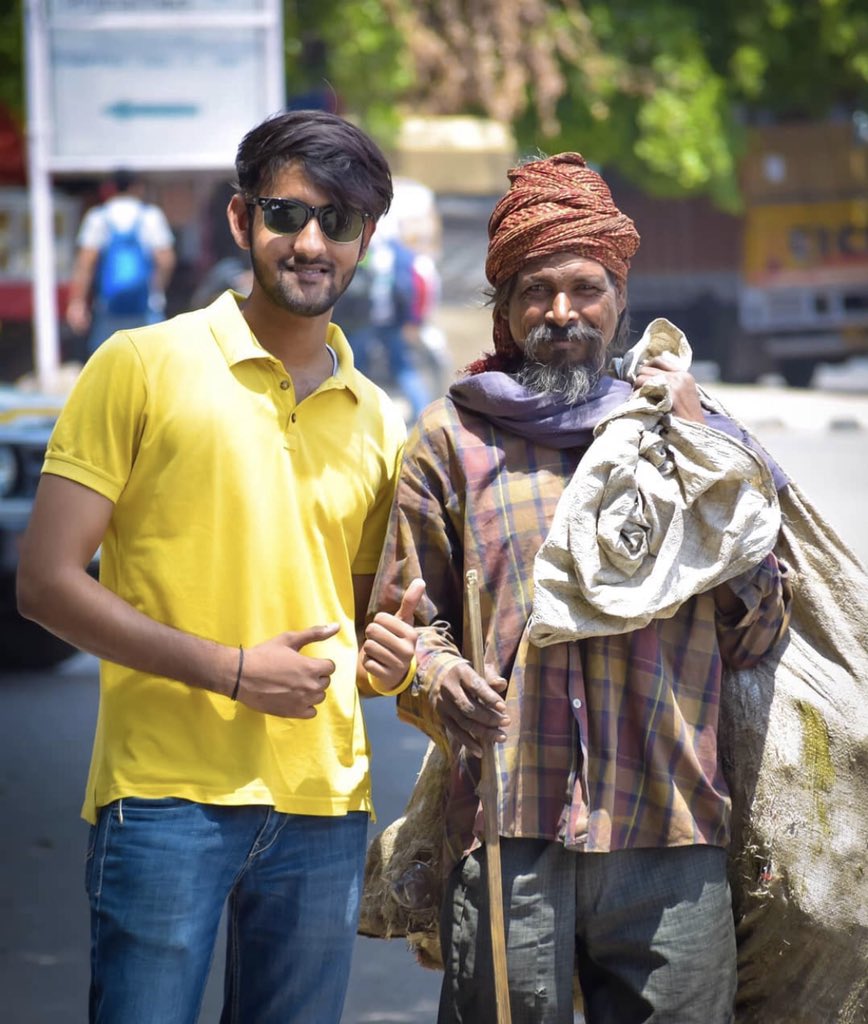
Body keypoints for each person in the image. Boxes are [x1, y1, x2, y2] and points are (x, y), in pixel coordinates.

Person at [17, 109, 423, 1024]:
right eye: (286, 215)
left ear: (365, 242)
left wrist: (391, 653)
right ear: (242, 222)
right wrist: (232, 672)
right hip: (165, 800)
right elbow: (45, 581)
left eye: (340, 221)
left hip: (324, 802)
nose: (311, 242)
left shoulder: (376, 416)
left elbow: (362, 621)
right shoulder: (141, 366)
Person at [367, 153, 793, 1024]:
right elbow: (399, 625)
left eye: (585, 288)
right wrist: (438, 673)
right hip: (508, 828)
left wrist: (712, 467)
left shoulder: (690, 440)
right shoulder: (450, 443)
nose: (561, 313)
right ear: (504, 306)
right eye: (535, 290)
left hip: (671, 832)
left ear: (621, 301)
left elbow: (759, 634)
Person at [65, 169, 176, 356]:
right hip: (146, 308)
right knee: (150, 359)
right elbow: (166, 259)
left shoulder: (98, 217)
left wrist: (77, 302)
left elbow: (85, 264)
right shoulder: (151, 216)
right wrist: (157, 289)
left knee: (107, 362)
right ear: (137, 188)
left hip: (108, 307)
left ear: (111, 188)